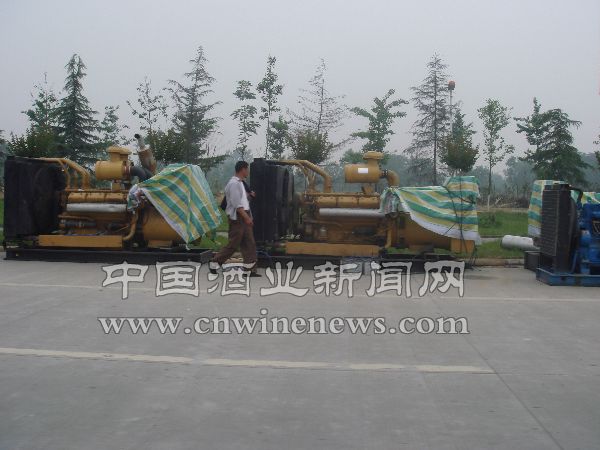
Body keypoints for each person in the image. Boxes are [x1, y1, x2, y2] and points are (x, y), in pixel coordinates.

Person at [210, 161, 260, 277]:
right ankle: (214, 262)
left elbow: (242, 200)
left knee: (249, 243)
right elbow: (237, 204)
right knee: (233, 244)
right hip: (238, 217)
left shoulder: (241, 183)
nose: (248, 172)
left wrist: (249, 196)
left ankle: (249, 270)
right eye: (247, 169)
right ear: (243, 169)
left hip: (244, 215)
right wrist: (247, 218)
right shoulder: (234, 184)